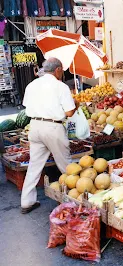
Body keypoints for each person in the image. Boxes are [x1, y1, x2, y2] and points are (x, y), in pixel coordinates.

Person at [21, 58, 78, 214]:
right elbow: (69, 112)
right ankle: (73, 201)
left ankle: (26, 202)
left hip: (35, 126)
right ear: (58, 69)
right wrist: (76, 105)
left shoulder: (31, 85)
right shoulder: (61, 87)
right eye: (62, 70)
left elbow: (27, 105)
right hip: (53, 127)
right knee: (66, 165)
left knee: (34, 166)